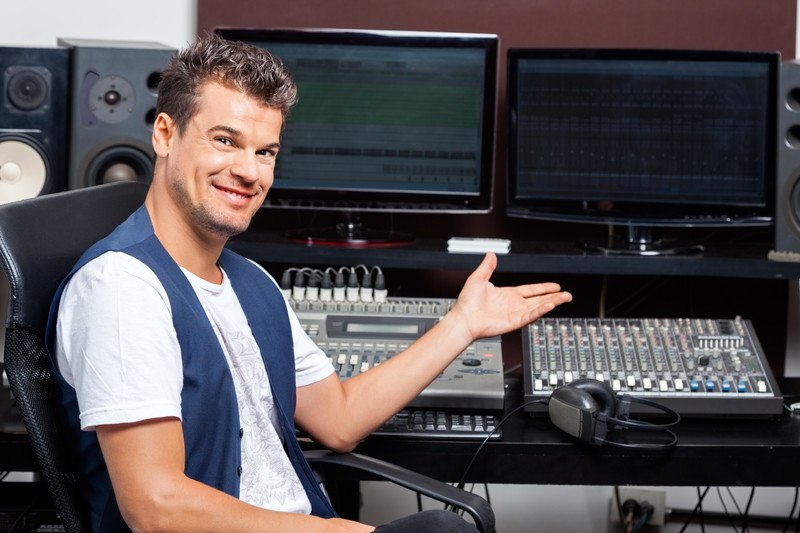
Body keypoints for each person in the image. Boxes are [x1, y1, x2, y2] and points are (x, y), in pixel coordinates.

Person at [46, 34, 572, 532]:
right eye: (225, 141)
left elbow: (339, 419)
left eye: (265, 151)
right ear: (165, 134)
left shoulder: (250, 282)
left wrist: (462, 325)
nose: (248, 172)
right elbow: (155, 507)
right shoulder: (121, 288)